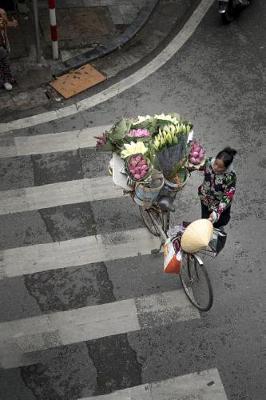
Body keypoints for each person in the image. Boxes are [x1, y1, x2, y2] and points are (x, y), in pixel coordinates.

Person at [197, 147, 237, 229]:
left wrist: (217, 212)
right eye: (215, 163)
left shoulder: (230, 176)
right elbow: (199, 166)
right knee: (205, 221)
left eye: (220, 167)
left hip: (219, 205)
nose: (216, 167)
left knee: (217, 225)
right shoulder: (209, 162)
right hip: (205, 200)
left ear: (226, 168)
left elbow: (228, 196)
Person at [0, 7, 17, 91]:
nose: (5, 15)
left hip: (3, 45)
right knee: (3, 64)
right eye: (3, 14)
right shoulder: (1, 21)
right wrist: (13, 23)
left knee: (5, 63)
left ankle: (8, 79)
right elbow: (6, 22)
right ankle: (5, 81)